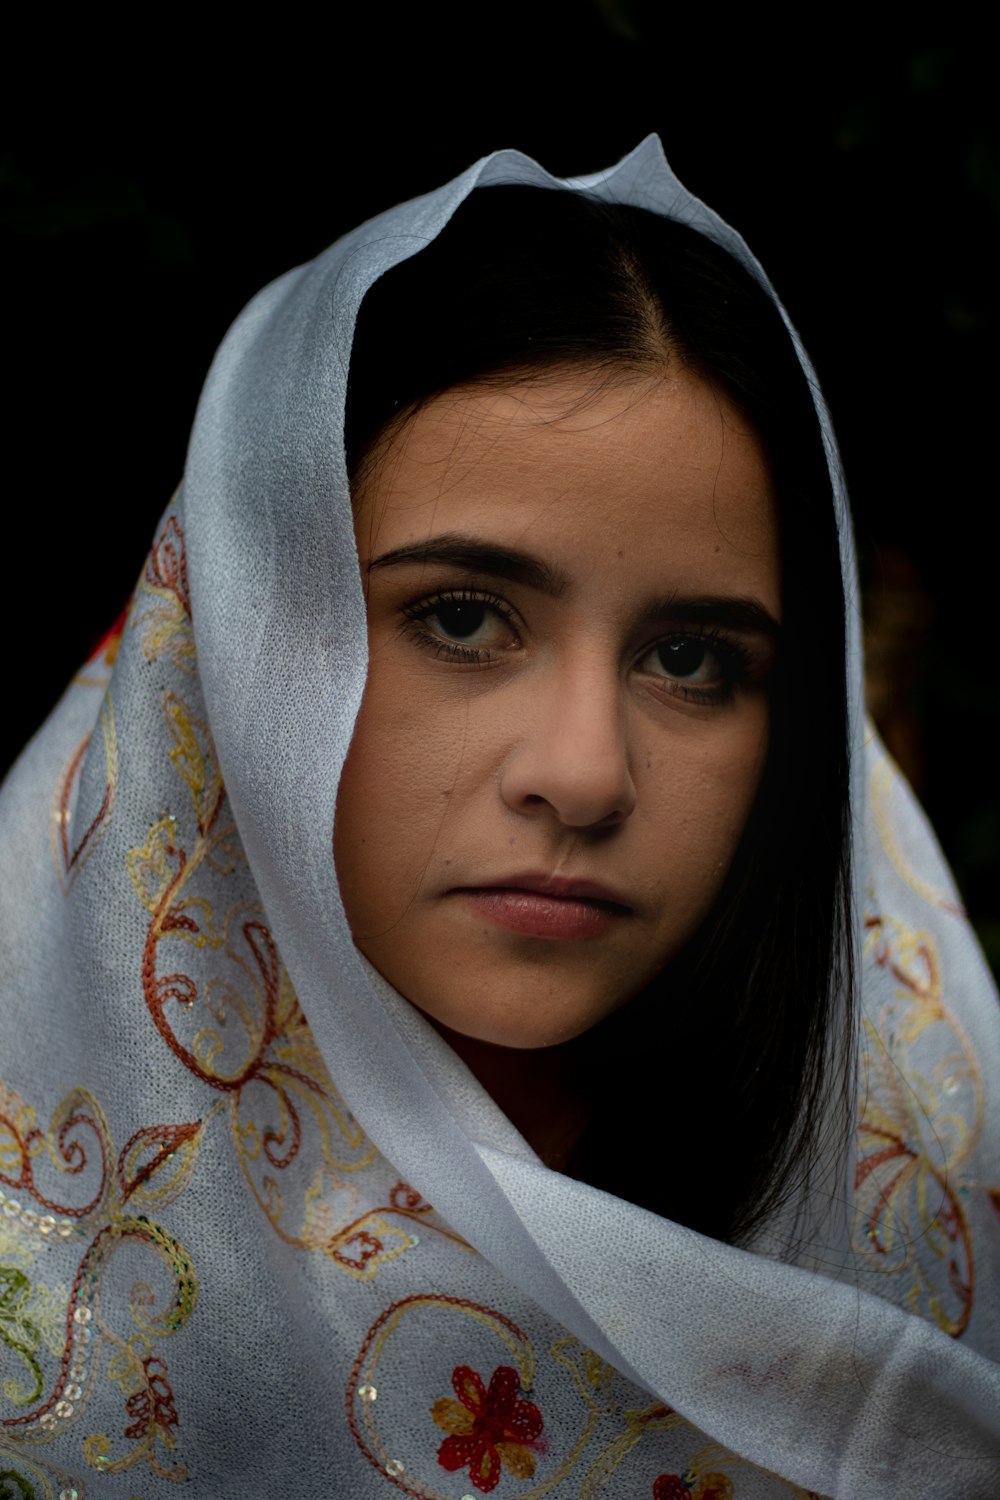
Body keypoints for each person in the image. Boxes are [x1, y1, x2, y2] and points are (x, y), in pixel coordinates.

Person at [0, 139, 998, 1498]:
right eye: (462, 617)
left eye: (694, 659)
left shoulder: (922, 1184)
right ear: (236, 643)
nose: (585, 774)